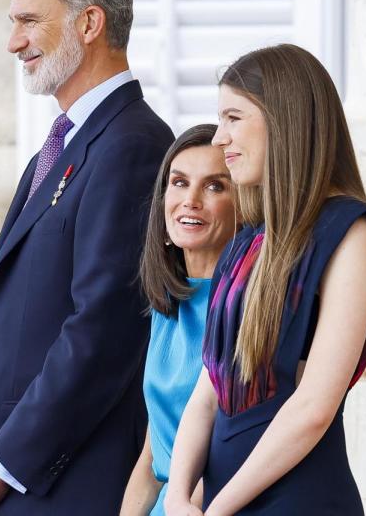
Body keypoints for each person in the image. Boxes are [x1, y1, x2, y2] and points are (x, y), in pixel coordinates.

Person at [0, 0, 173, 514]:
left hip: (63, 486)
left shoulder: (132, 145)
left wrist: (0, 465)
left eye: (29, 21)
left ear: (90, 23)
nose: (13, 42)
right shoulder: (65, 141)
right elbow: (2, 328)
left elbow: (102, 332)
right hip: (2, 480)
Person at [164, 44, 366, 515]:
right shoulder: (247, 240)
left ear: (284, 119)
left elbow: (314, 407)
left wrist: (217, 508)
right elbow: (208, 391)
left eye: (234, 118)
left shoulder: (352, 234)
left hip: (299, 499)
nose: (220, 138)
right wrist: (177, 496)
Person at [120, 125, 236, 515]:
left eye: (215, 186)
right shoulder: (166, 303)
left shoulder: (248, 305)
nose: (191, 200)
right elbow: (155, 456)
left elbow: (233, 453)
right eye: (180, 182)